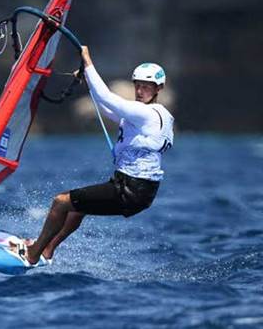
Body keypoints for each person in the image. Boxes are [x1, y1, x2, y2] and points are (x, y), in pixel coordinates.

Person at [12, 46, 174, 265]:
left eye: (147, 87)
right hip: (139, 190)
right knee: (77, 210)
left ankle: (33, 254)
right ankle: (48, 249)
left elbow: (106, 97)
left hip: (131, 189)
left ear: (159, 88)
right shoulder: (157, 115)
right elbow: (107, 108)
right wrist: (88, 82)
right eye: (138, 86)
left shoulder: (145, 113)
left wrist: (87, 60)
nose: (140, 91)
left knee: (60, 202)